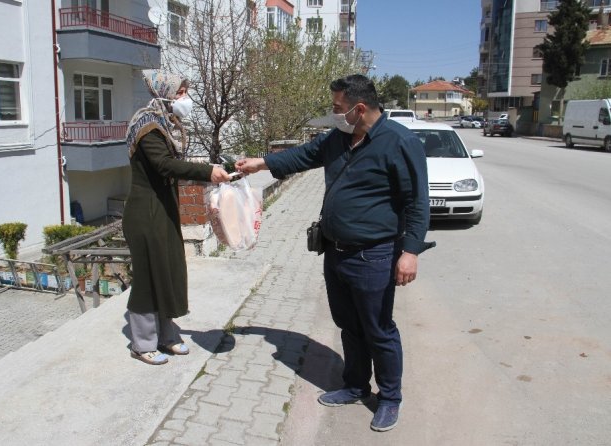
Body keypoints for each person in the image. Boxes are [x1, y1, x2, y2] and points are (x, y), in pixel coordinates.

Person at [236, 74, 434, 432]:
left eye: (338, 108)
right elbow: (304, 154)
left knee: (378, 329)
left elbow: (417, 202)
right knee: (348, 326)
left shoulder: (399, 142)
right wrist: (260, 163)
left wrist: (410, 252)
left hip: (374, 255)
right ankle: (356, 386)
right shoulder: (340, 137)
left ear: (359, 109)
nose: (334, 114)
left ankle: (389, 398)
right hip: (336, 253)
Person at [123, 70, 230, 365]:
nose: (185, 98)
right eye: (181, 92)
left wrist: (210, 167)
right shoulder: (147, 124)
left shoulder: (166, 123)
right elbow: (165, 165)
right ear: (165, 93)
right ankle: (142, 342)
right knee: (147, 276)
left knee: (168, 270)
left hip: (164, 209)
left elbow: (175, 164)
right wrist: (207, 172)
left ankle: (167, 335)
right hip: (145, 213)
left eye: (185, 91)